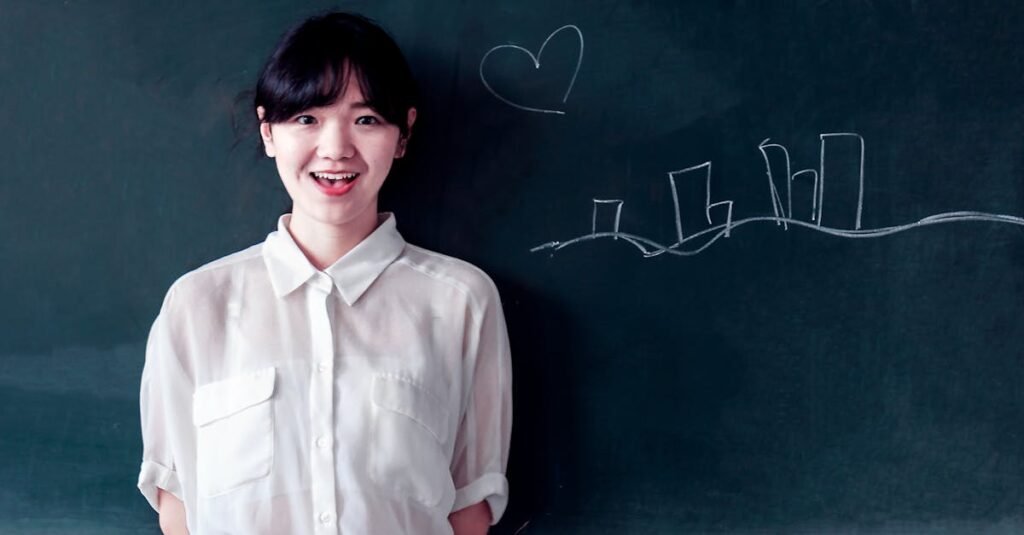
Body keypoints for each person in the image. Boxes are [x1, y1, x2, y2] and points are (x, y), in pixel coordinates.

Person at [137, 12, 512, 535]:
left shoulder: (460, 302)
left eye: (366, 120)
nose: (335, 149)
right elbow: (176, 503)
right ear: (268, 131)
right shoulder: (197, 305)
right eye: (307, 118)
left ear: (403, 133)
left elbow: (469, 507)